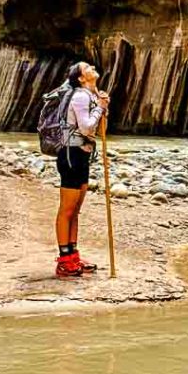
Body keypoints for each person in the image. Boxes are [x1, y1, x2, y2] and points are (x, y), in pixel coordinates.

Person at [55, 61, 110, 277]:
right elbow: (86, 126)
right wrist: (100, 108)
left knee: (75, 210)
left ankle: (73, 256)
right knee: (67, 210)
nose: (92, 67)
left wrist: (102, 107)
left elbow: (99, 127)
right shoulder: (79, 96)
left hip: (82, 155)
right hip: (71, 155)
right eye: (86, 67)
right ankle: (63, 260)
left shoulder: (92, 96)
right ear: (80, 78)